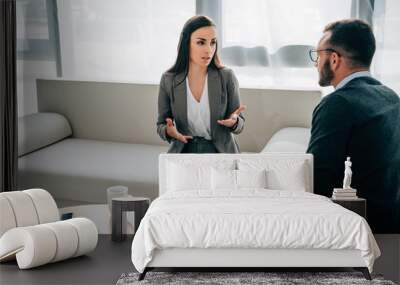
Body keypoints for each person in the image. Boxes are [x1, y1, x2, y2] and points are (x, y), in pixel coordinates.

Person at [307, 19, 400, 233]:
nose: (315, 63)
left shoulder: (338, 104)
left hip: (358, 227)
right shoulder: (391, 97)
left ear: (334, 59)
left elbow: (316, 180)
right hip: (391, 221)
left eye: (317, 55)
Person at [156, 15, 245, 153]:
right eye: (201, 42)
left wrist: (235, 122)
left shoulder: (227, 77)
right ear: (187, 43)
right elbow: (161, 125)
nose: (209, 50)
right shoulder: (168, 80)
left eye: (213, 42)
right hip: (184, 151)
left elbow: (240, 124)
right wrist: (168, 131)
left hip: (220, 152)